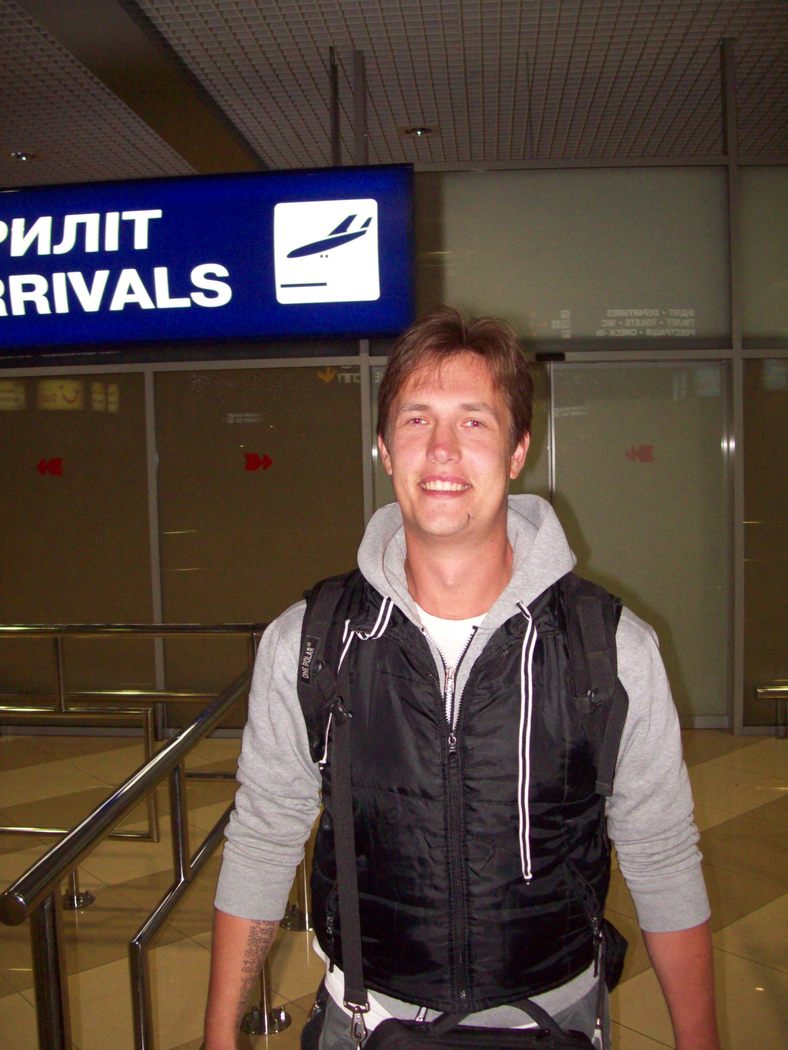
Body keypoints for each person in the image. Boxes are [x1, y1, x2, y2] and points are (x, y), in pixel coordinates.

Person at [204, 308, 719, 1050]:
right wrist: (219, 1034)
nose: (442, 449)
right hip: (366, 1024)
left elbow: (661, 852)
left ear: (517, 450)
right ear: (385, 449)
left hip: (556, 1023)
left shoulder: (608, 649)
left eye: (474, 421)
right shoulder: (312, 643)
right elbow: (264, 835)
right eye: (417, 419)